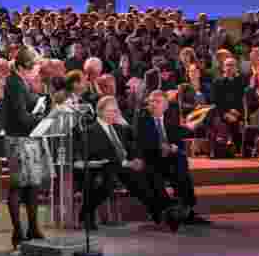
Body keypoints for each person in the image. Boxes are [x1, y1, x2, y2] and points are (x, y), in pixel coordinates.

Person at [81, 96, 184, 231]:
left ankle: (166, 210)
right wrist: (126, 163)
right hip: (105, 167)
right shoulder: (90, 130)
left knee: (150, 172)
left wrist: (137, 159)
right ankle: (162, 214)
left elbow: (133, 147)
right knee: (125, 176)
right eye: (111, 111)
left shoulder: (121, 128)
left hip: (125, 167)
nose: (116, 114)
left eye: (116, 111)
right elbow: (98, 154)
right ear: (100, 111)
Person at [136, 90, 209, 226]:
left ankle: (187, 209)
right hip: (151, 158)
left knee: (180, 163)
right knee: (158, 171)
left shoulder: (170, 117)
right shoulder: (142, 117)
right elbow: (144, 141)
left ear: (165, 105)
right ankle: (171, 211)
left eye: (157, 101)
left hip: (169, 158)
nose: (153, 104)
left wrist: (174, 146)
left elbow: (177, 135)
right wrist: (164, 147)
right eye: (151, 101)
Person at [2, 47, 45, 248]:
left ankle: (33, 228)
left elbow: (32, 104)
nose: (37, 70)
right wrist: (41, 118)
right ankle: (18, 231)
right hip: (18, 140)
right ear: (23, 67)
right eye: (35, 66)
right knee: (18, 185)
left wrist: (43, 104)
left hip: (28, 139)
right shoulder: (14, 83)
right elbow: (21, 116)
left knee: (33, 185)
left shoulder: (22, 83)